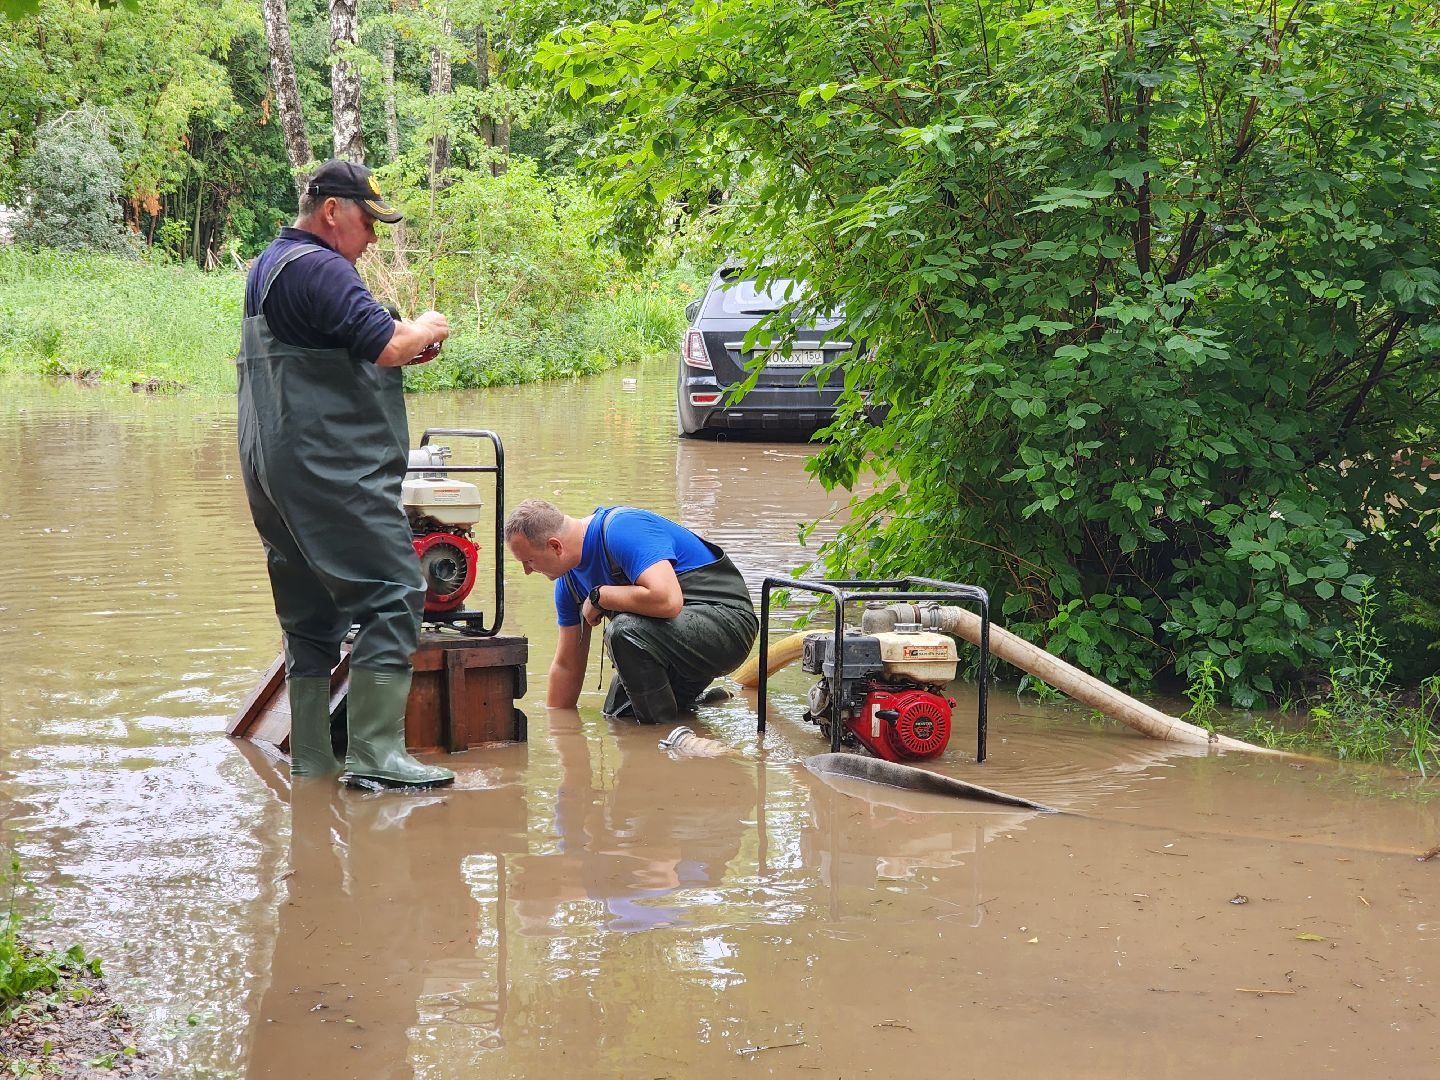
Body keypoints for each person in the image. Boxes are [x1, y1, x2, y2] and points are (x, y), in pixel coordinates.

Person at [237, 159, 453, 788]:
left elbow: (343, 340)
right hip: (328, 466)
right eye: (368, 222)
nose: (373, 239)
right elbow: (387, 346)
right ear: (331, 211)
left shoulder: (269, 267)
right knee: (395, 590)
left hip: (272, 467)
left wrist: (401, 335)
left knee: (309, 612)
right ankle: (376, 756)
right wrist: (425, 329)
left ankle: (311, 757)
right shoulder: (322, 266)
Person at [504, 499, 759, 725]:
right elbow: (567, 666)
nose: (527, 571)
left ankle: (665, 739)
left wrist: (601, 596)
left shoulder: (621, 529)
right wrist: (558, 728)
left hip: (728, 624)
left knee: (623, 631)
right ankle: (694, 706)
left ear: (555, 546)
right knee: (619, 715)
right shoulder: (567, 584)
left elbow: (668, 600)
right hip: (673, 643)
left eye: (529, 561)